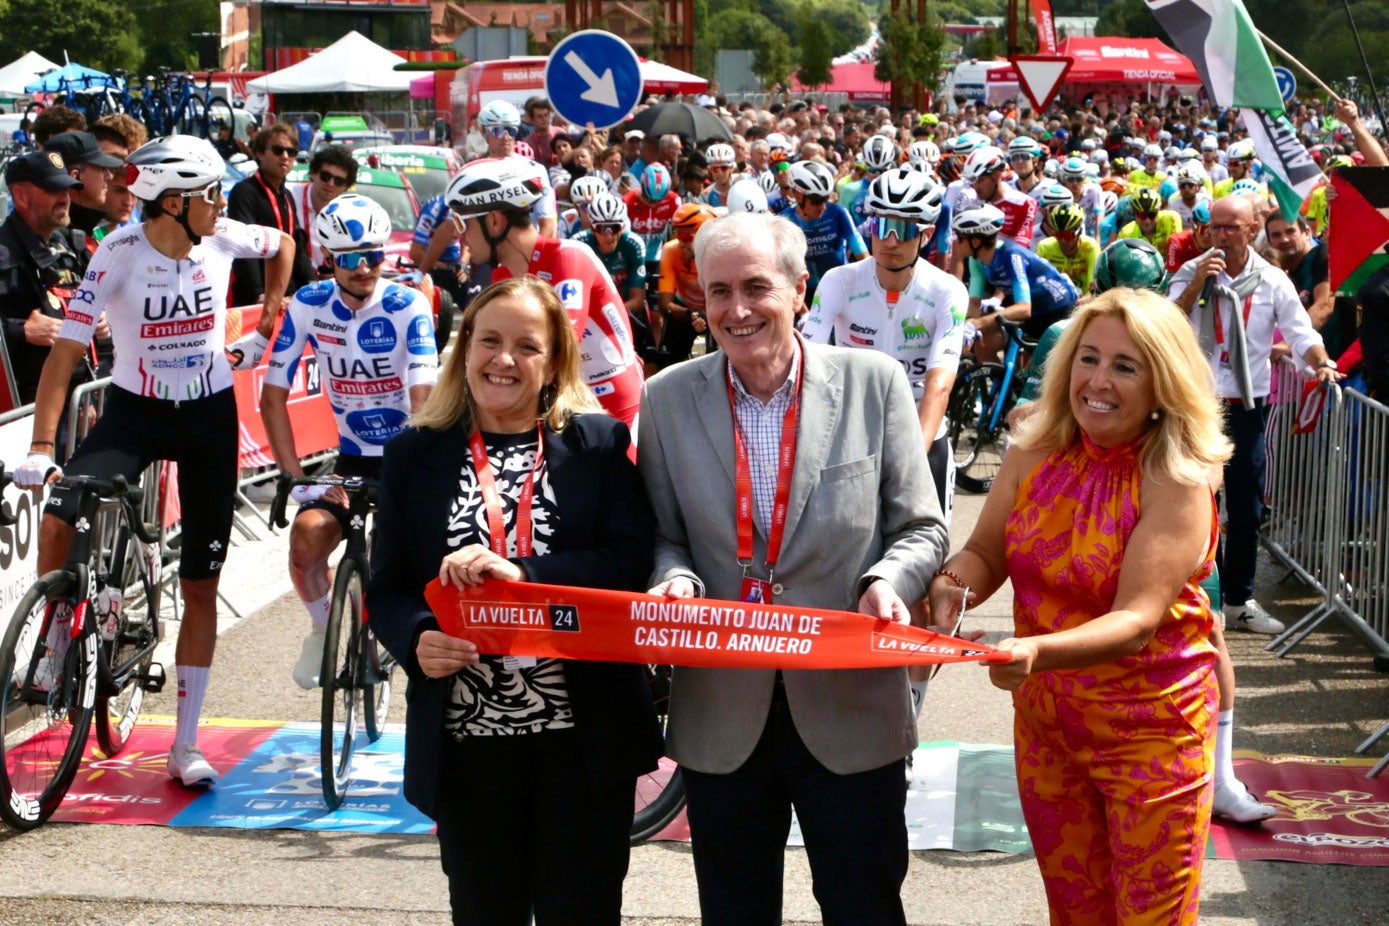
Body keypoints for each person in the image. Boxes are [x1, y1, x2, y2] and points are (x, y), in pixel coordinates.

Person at [638, 211, 950, 926]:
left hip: (848, 705)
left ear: (799, 290)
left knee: (862, 904)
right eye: (718, 292)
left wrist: (885, 581)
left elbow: (922, 526)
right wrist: (674, 579)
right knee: (735, 910)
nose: (737, 310)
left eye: (755, 287)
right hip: (723, 709)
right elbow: (663, 535)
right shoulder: (666, 399)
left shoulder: (873, 385)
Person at [929, 289, 1233, 924]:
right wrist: (949, 587)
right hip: (1048, 732)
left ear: (1163, 383)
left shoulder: (1177, 476)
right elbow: (985, 551)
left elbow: (1136, 620)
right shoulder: (1034, 448)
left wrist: (1034, 651)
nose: (1097, 381)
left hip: (1152, 739)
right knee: (1073, 912)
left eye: (1125, 366)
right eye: (1087, 359)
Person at [366, 275, 661, 926]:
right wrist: (417, 637)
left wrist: (523, 573)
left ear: (554, 361)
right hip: (470, 748)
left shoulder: (598, 445)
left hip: (582, 745)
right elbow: (386, 585)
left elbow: (629, 563)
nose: (503, 359)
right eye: (488, 340)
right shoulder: (414, 453)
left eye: (527, 346)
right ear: (463, 347)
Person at [12, 136, 294, 788]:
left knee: (199, 583)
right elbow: (63, 357)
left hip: (207, 419)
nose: (221, 203)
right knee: (60, 509)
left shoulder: (222, 235)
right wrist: (39, 448)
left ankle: (184, 743)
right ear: (174, 202)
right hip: (133, 412)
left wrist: (267, 320)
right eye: (210, 193)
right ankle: (56, 648)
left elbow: (283, 246)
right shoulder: (117, 253)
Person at [261, 194, 438, 688]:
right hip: (353, 457)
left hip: (408, 451)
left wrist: (412, 476)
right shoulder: (309, 305)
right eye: (350, 258)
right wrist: (294, 475)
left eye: (374, 255)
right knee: (307, 539)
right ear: (328, 260)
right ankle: (322, 628)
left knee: (399, 565)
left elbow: (422, 398)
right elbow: (272, 396)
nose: (364, 268)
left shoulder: (408, 305)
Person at [1168, 194, 1342, 634]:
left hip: (1247, 407)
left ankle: (1239, 600)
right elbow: (1164, 325)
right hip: (1197, 405)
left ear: (1251, 230)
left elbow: (1301, 332)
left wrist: (1322, 362)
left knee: (1245, 508)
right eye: (1214, 227)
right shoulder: (1192, 271)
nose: (1221, 236)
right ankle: (1204, 597)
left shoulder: (1273, 280)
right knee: (1196, 504)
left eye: (1231, 228)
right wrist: (1195, 285)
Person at [445, 157, 644, 433]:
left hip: (615, 408)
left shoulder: (568, 256)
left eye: (460, 221)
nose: (459, 235)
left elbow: (560, 347)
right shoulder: (502, 278)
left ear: (494, 221)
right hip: (559, 405)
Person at [0, 152, 94, 406]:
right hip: (24, 408)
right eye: (54, 190)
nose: (64, 198)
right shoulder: (4, 253)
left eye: (67, 189)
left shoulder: (69, 246)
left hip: (77, 398)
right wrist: (20, 331)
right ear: (20, 195)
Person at [953, 203, 1078, 361]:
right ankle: (1000, 383)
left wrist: (976, 324)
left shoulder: (1012, 255)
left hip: (1057, 309)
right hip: (1033, 309)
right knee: (983, 345)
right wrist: (967, 329)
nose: (957, 242)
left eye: (960, 237)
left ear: (976, 242)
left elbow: (1024, 309)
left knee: (1035, 370)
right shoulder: (976, 260)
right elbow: (974, 306)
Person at [227, 122, 316, 306]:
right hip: (256, 300)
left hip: (288, 296)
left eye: (291, 152)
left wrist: (311, 285)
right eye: (278, 150)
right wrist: (259, 294)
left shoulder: (286, 195)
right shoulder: (244, 192)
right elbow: (242, 246)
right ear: (259, 153)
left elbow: (296, 245)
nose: (285, 156)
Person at [778, 159, 867, 306]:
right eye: (817, 201)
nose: (823, 207)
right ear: (798, 196)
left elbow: (861, 253)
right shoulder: (785, 221)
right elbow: (785, 275)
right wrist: (803, 314)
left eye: (825, 199)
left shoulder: (838, 213)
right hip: (807, 296)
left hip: (842, 289)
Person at [654, 203, 716, 368]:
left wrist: (708, 315)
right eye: (677, 234)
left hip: (716, 309)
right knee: (667, 361)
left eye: (686, 238)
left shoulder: (720, 255)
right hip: (686, 309)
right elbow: (664, 304)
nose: (680, 242)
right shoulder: (671, 250)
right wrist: (691, 314)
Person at [288, 145, 358, 273]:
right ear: (313, 173)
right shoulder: (289, 196)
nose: (331, 183)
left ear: (346, 187)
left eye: (339, 181)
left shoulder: (349, 215)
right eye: (326, 176)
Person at [42, 130, 123, 235]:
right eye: (102, 168)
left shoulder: (86, 226)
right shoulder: (55, 234)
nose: (109, 176)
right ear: (74, 177)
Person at [1034, 203, 1100, 298]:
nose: (1063, 240)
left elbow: (1093, 291)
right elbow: (1037, 283)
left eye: (1067, 236)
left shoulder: (1091, 247)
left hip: (1083, 302)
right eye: (1058, 235)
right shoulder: (1044, 247)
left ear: (1079, 231)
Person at [1118, 187, 1183, 257]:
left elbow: (1177, 252)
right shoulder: (1126, 233)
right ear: (1134, 214)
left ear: (1158, 212)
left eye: (1152, 215)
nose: (1147, 221)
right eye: (1142, 215)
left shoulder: (1171, 218)